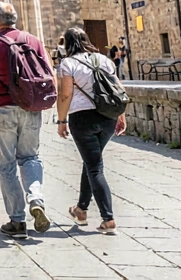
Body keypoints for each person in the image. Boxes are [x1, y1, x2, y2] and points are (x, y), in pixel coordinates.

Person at [0, 1, 51, 239]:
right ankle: (36, 198)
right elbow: (48, 72)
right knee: (31, 157)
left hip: (3, 108)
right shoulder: (33, 40)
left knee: (7, 165)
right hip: (31, 106)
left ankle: (17, 220)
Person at [56, 27, 126, 235]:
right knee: (91, 162)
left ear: (68, 44)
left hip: (82, 118)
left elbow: (66, 94)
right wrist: (121, 115)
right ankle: (81, 210)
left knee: (95, 167)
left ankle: (108, 218)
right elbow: (118, 88)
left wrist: (61, 120)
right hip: (108, 117)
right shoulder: (104, 60)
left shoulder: (68, 64)